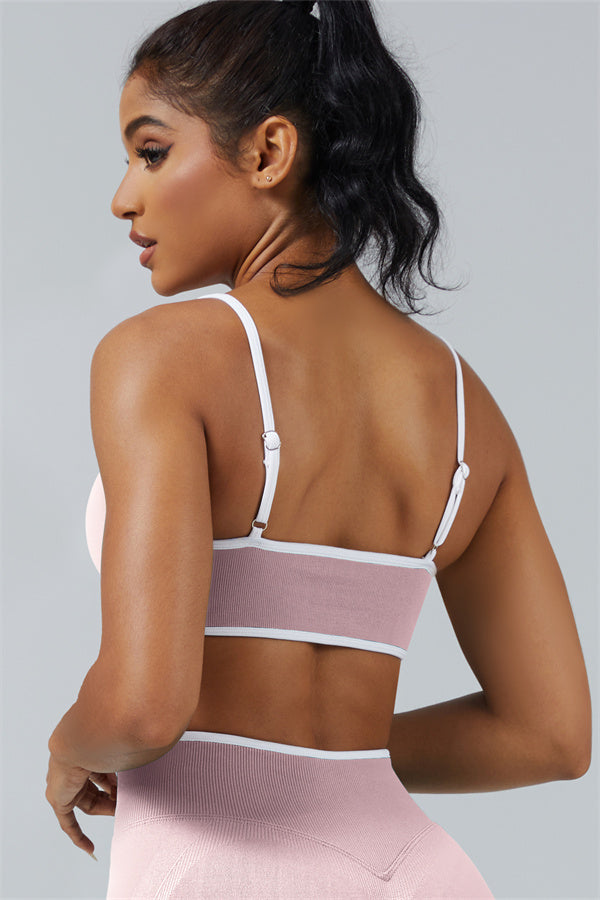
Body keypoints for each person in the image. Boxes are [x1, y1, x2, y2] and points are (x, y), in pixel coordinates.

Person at [45, 1, 592, 897]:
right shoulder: (466, 407)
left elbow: (143, 706)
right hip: (420, 874)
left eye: (151, 152)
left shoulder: (162, 359)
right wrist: (332, 763)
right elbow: (549, 736)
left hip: (218, 874)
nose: (123, 197)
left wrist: (69, 745)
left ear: (269, 151)